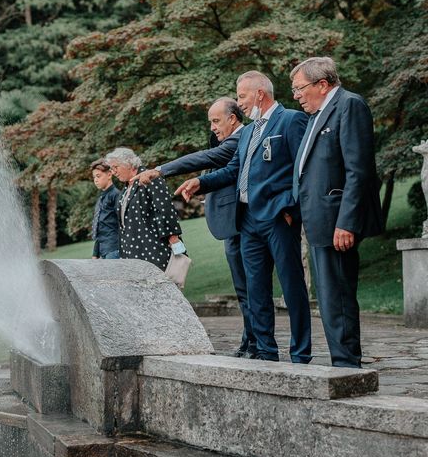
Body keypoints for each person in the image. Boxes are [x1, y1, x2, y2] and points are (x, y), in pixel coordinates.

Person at [175, 71, 312, 363]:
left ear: (260, 93)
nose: (240, 103)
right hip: (247, 221)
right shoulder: (248, 131)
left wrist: (291, 210)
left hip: (278, 218)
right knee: (255, 288)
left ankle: (301, 354)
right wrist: (201, 182)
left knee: (292, 286)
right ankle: (265, 351)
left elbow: (304, 169)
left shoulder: (290, 120)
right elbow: (232, 171)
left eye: (241, 96)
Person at [134, 97, 257, 358]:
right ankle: (250, 341)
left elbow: (204, 158)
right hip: (230, 223)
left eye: (216, 121)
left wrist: (160, 170)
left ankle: (255, 343)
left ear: (232, 118)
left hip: (241, 222)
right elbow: (217, 168)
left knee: (248, 288)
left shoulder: (241, 137)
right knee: (243, 289)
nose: (212, 127)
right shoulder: (226, 140)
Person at [290, 57, 384, 368]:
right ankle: (341, 363)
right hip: (317, 220)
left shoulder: (350, 105)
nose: (297, 95)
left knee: (338, 299)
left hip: (336, 223)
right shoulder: (317, 114)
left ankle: (347, 367)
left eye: (300, 88)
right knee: (330, 300)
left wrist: (347, 222)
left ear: (323, 84)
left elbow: (358, 171)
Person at [105, 147, 183, 271]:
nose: (113, 172)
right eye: (111, 168)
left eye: (116, 167)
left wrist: (174, 240)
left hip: (153, 249)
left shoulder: (150, 177)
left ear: (129, 163)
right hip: (132, 252)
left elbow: (164, 209)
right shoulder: (126, 187)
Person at [90, 159, 121, 259]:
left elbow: (122, 224)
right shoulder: (101, 198)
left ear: (109, 175)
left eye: (98, 176)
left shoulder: (116, 195)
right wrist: (95, 253)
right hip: (103, 250)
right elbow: (101, 227)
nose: (95, 180)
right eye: (94, 177)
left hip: (114, 249)